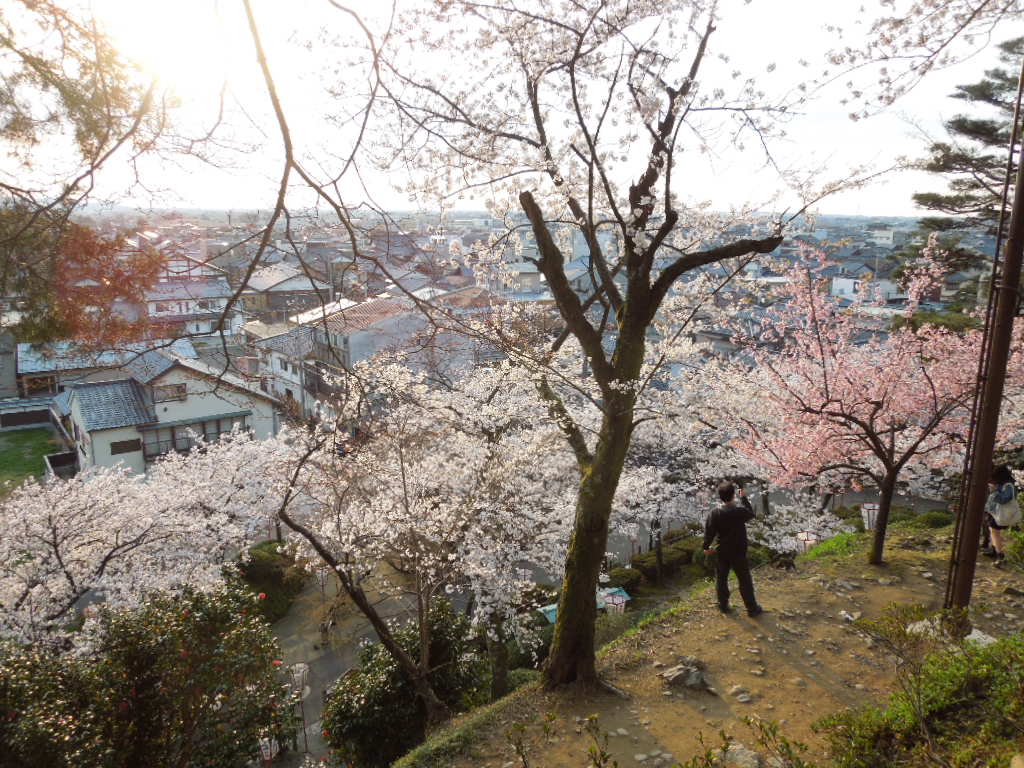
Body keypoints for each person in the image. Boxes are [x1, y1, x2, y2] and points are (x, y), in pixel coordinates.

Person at [703, 481, 763, 616]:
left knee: (721, 579)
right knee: (744, 579)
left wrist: (706, 546)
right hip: (738, 551)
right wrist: (744, 498)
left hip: (722, 551)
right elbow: (751, 514)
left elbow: (709, 532)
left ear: (720, 496)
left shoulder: (714, 513)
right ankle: (752, 608)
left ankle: (723, 605)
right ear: (733, 495)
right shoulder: (739, 511)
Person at [986, 465, 1018, 568]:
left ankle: (1000, 555)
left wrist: (994, 490)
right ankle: (996, 551)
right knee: (993, 531)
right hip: (998, 513)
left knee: (995, 531)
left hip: (1003, 514)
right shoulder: (1005, 484)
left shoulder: (1008, 485)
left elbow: (1004, 499)